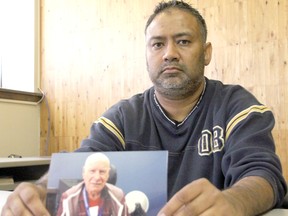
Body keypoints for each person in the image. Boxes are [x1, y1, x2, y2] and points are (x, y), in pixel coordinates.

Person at [1, 1, 287, 216]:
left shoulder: (237, 107)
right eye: (158, 44)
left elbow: (263, 176)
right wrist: (40, 191)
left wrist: (232, 202)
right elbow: (82, 165)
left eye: (183, 41)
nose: (170, 53)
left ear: (206, 52)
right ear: (147, 55)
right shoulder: (124, 117)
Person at [56, 152, 129, 216]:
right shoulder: (69, 199)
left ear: (108, 175)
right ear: (84, 173)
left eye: (102, 172)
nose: (97, 177)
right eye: (92, 171)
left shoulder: (118, 197)